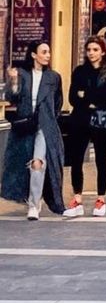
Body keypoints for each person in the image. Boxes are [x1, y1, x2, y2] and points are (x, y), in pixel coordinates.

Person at [1, 40, 65, 220]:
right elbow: (11, 97)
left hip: (45, 126)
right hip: (24, 125)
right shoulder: (22, 74)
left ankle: (34, 205)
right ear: (34, 55)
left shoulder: (53, 77)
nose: (47, 55)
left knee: (38, 162)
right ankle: (27, 198)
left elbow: (58, 102)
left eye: (49, 52)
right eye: (43, 52)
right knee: (22, 163)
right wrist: (13, 81)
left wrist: (50, 118)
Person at [63, 35, 106, 219]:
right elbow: (73, 97)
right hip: (79, 121)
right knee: (76, 160)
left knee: (101, 161)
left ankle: (101, 199)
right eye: (89, 50)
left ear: (103, 51)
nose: (91, 53)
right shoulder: (79, 71)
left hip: (101, 123)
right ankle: (77, 199)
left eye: (95, 50)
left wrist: (86, 96)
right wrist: (91, 99)